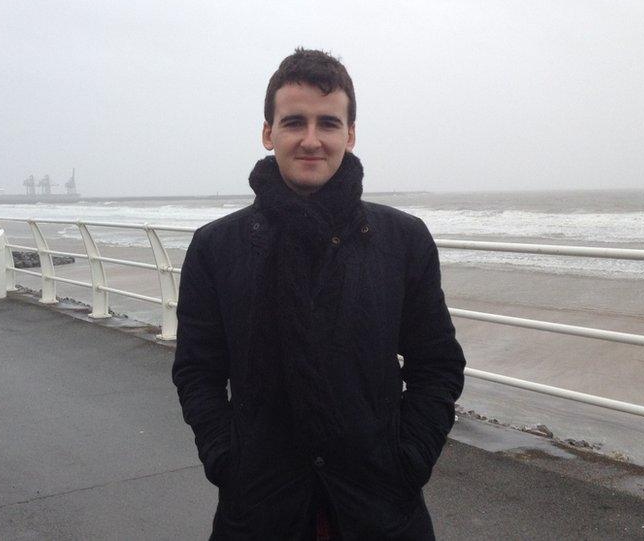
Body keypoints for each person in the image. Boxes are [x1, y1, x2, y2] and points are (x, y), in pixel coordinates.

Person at [172, 48, 466, 540]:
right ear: (269, 133)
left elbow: (436, 364)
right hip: (259, 508)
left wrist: (409, 458)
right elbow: (197, 371)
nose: (312, 140)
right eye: (294, 123)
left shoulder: (402, 240)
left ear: (349, 135)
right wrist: (227, 459)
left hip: (382, 507)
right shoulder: (217, 247)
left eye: (328, 123)